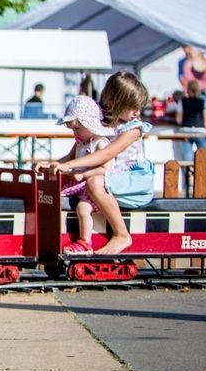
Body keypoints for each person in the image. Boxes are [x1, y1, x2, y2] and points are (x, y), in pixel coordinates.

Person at [52, 71, 154, 255]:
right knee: (82, 192)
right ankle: (84, 241)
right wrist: (52, 164)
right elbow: (73, 154)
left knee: (94, 181)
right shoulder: (101, 123)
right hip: (112, 178)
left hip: (134, 180)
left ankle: (121, 234)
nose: (137, 113)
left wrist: (70, 166)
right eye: (132, 107)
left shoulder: (133, 129)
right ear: (116, 102)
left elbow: (106, 154)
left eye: (139, 107)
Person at [41, 96, 115, 254]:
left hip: (93, 190)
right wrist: (50, 165)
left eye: (77, 128)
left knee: (82, 208)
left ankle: (85, 242)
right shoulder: (80, 143)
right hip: (79, 187)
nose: (75, 133)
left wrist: (85, 174)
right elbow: (68, 159)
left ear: (89, 124)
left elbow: (107, 168)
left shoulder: (101, 143)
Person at [176, 80, 206, 162]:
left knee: (188, 155)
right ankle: (203, 173)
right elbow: (205, 119)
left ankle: (189, 173)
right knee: (204, 154)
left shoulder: (182, 101)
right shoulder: (202, 101)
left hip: (186, 130)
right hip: (200, 130)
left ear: (188, 89)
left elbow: (178, 120)